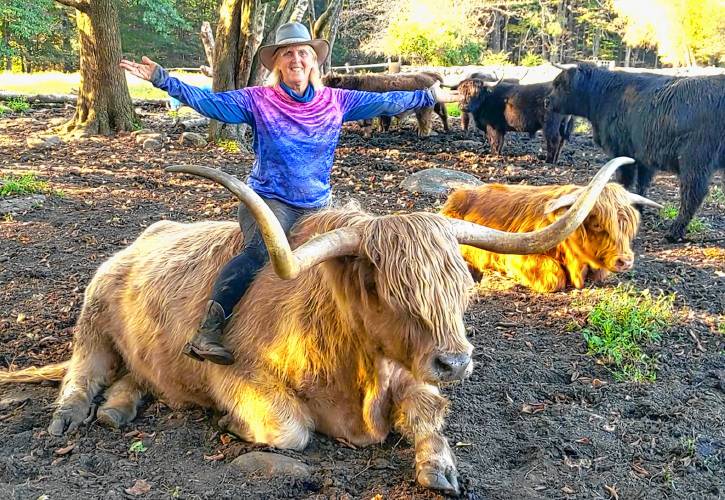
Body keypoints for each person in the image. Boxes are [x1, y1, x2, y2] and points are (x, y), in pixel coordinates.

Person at [120, 22, 459, 365]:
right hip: (270, 202)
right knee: (259, 256)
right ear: (277, 63)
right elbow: (210, 103)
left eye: (302, 53)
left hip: (318, 204)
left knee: (342, 266)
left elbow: (387, 101)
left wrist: (429, 95)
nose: (296, 60)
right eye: (287, 54)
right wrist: (163, 79)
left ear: (314, 62)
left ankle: (341, 337)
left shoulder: (337, 101)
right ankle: (208, 331)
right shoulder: (258, 100)